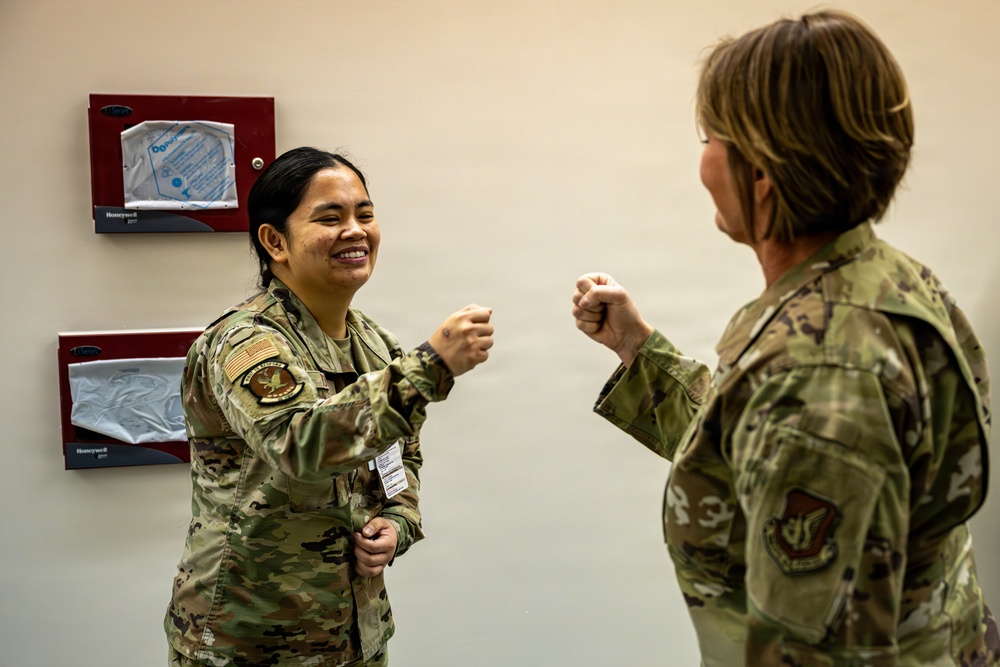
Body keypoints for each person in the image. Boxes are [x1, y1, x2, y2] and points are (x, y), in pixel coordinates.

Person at [572, 11, 999, 666]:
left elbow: (815, 651)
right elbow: (759, 449)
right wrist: (640, 353)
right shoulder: (884, 282)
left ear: (762, 174)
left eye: (711, 138)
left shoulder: (821, 372)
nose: (702, 162)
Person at [165, 147, 494, 666]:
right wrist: (429, 367)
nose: (356, 231)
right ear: (275, 241)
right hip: (247, 643)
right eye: (330, 218)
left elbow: (401, 458)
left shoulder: (375, 345)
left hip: (354, 636)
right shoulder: (245, 342)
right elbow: (299, 446)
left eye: (365, 214)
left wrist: (397, 521)